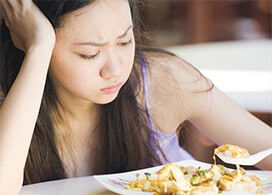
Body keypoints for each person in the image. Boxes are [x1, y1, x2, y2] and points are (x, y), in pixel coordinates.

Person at [0, 0, 271, 194]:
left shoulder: (160, 81)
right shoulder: (12, 100)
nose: (116, 70)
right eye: (89, 54)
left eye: (124, 41)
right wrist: (38, 47)